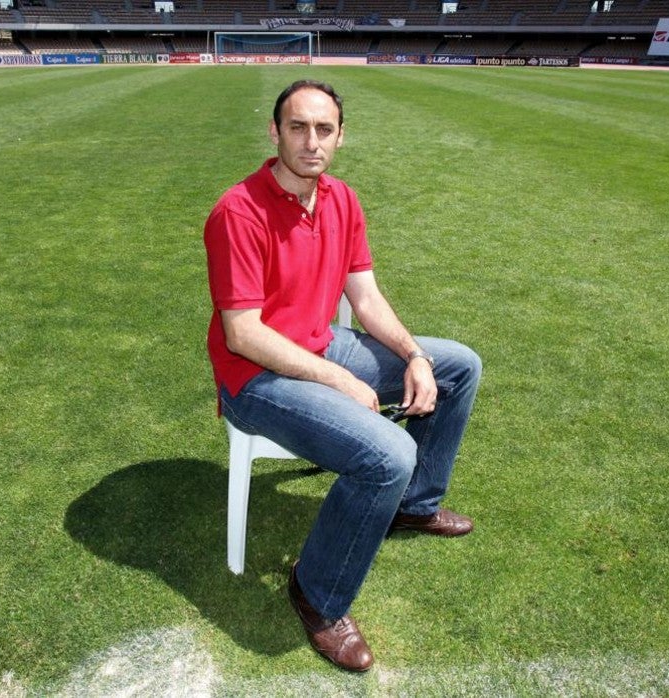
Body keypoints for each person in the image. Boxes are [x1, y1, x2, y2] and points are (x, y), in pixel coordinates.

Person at [204, 80, 482, 673]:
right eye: (297, 128)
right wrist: (337, 379)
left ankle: (413, 505)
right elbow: (243, 334)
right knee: (386, 453)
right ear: (274, 133)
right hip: (254, 380)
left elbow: (365, 296)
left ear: (340, 136)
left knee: (458, 364)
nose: (311, 141)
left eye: (323, 129)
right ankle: (316, 593)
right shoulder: (238, 210)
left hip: (319, 345)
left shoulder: (341, 200)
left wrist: (413, 355)